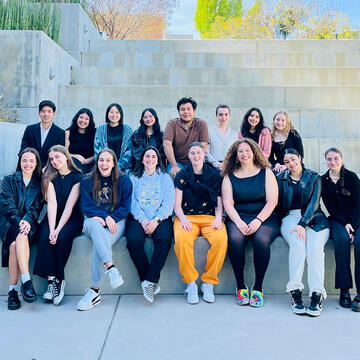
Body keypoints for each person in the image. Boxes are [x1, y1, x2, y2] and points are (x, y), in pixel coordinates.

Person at [222, 139, 279, 308]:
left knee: (261, 240)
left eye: (248, 150)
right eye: (240, 151)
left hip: (265, 216)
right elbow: (227, 203)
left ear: (254, 152)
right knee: (235, 239)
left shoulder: (266, 171)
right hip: (238, 216)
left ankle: (258, 288)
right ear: (236, 155)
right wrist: (238, 222)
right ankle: (240, 286)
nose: (244, 154)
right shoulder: (229, 175)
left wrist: (258, 220)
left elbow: (272, 201)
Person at [77, 149, 132, 311]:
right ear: (97, 162)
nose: (104, 164)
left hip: (117, 221)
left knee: (101, 243)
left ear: (114, 162)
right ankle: (111, 268)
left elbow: (125, 207)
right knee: (95, 226)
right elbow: (86, 206)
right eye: (101, 160)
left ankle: (94, 291)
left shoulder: (123, 180)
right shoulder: (87, 180)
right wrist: (102, 216)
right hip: (92, 220)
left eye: (108, 160)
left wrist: (110, 218)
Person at [277, 148, 329, 317]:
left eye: (293, 159)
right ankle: (295, 292)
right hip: (290, 217)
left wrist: (302, 223)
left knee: (314, 249)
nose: (291, 164)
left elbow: (314, 204)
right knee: (298, 246)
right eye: (286, 162)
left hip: (315, 218)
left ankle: (317, 294)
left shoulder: (314, 177)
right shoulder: (280, 178)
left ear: (299, 157)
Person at [174, 142, 227, 304]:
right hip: (186, 217)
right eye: (192, 153)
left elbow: (219, 202)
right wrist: (182, 219)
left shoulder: (213, 176)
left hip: (210, 216)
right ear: (188, 156)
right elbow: (177, 205)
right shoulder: (182, 175)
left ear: (204, 155)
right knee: (182, 241)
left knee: (220, 240)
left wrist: (219, 218)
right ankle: (190, 283)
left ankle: (208, 282)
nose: (196, 156)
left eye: (199, 153)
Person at [33, 145, 83, 306]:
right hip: (53, 215)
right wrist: (52, 229)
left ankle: (59, 280)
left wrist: (58, 230)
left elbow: (69, 207)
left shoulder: (77, 177)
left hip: (72, 217)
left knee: (61, 238)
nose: (54, 161)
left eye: (57, 157)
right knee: (44, 237)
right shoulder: (49, 176)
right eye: (52, 159)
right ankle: (52, 281)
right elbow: (52, 204)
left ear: (66, 156)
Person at [126, 146, 175, 303]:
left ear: (158, 160)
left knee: (165, 240)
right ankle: (148, 280)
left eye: (154, 156)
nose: (150, 159)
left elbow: (168, 203)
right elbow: (131, 201)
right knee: (133, 240)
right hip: (138, 218)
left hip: (160, 218)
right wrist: (142, 219)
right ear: (142, 159)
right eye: (147, 156)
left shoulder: (165, 178)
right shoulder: (134, 177)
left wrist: (156, 220)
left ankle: (149, 280)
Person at [0, 148, 43, 310]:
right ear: (20, 161)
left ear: (37, 163)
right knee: (20, 235)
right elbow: (7, 205)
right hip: (9, 224)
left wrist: (26, 220)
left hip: (29, 224)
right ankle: (26, 281)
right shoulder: (9, 180)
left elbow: (36, 208)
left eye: (32, 161)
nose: (28, 164)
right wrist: (20, 221)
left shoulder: (39, 184)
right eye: (25, 160)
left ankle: (13, 291)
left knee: (14, 247)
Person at [321, 147, 360, 312]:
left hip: (357, 219)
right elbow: (330, 207)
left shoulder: (351, 177)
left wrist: (354, 226)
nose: (333, 162)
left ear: (342, 159)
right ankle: (344, 291)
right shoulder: (323, 180)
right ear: (326, 161)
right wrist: (345, 224)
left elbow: (359, 204)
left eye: (336, 158)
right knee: (341, 240)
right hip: (338, 221)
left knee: (359, 242)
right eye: (329, 159)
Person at [163, 97, 209, 178]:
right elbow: (166, 144)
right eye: (183, 109)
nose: (186, 112)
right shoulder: (172, 124)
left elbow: (203, 146)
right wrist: (174, 165)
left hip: (195, 161)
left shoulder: (201, 124)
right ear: (179, 112)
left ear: (194, 111)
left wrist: (195, 165)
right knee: (172, 176)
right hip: (176, 162)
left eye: (188, 109)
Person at [20, 100, 65, 167]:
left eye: (49, 111)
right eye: (43, 111)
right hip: (30, 167)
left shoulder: (60, 132)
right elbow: (23, 149)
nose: (46, 114)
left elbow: (59, 154)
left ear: (54, 114)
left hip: (50, 168)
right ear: (39, 113)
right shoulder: (30, 129)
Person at [94, 103, 133, 171]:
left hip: (123, 168)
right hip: (104, 167)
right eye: (111, 112)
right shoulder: (100, 129)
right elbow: (97, 151)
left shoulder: (127, 130)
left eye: (117, 112)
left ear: (121, 114)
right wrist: (106, 165)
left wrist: (117, 166)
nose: (114, 115)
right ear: (107, 114)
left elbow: (129, 151)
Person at [206, 104, 238, 169]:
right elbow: (206, 151)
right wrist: (217, 164)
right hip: (212, 167)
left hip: (229, 166)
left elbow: (235, 152)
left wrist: (227, 164)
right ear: (216, 116)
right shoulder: (209, 131)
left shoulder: (234, 134)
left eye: (226, 114)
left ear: (229, 116)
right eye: (220, 115)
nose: (223, 117)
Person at [65, 108, 96, 173]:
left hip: (91, 165)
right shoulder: (68, 133)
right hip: (73, 164)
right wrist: (76, 156)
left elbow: (98, 152)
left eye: (86, 119)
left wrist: (87, 161)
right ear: (77, 118)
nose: (83, 121)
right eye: (81, 117)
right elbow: (65, 152)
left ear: (90, 121)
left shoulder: (95, 133)